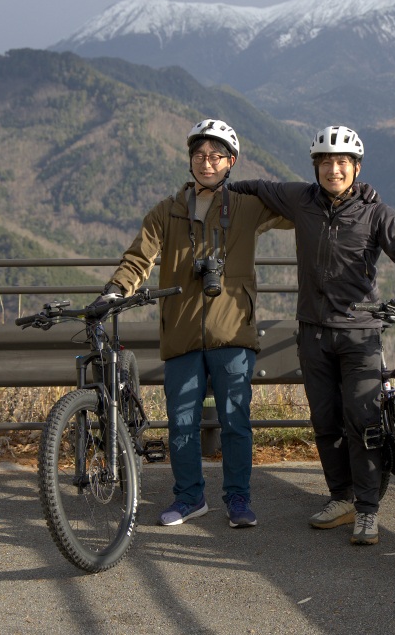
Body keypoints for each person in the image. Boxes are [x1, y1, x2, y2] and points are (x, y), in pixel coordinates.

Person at [228, 125, 395, 545]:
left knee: (363, 422)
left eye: (342, 162)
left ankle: (368, 510)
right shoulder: (300, 200)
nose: (334, 169)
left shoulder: (374, 212)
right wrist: (219, 186)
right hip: (312, 334)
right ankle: (341, 498)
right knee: (325, 422)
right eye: (326, 162)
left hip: (360, 334)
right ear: (316, 167)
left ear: (356, 168)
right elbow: (257, 187)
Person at [94, 118, 290, 529]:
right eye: (200, 155)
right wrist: (116, 290)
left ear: (230, 161)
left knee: (236, 422)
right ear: (190, 160)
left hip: (233, 332)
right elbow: (138, 259)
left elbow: (299, 210)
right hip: (182, 333)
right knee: (181, 423)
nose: (207, 162)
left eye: (216, 156)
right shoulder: (168, 211)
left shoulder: (246, 206)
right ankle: (188, 498)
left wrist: (342, 191)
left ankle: (238, 499)